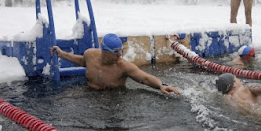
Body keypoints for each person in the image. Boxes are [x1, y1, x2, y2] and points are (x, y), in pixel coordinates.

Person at [51, 33, 181, 95]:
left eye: (121, 51)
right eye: (116, 52)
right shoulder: (90, 55)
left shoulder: (123, 67)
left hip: (114, 99)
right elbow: (82, 61)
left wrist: (161, 85)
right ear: (105, 51)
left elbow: (144, 78)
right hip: (89, 94)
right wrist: (62, 54)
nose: (120, 55)